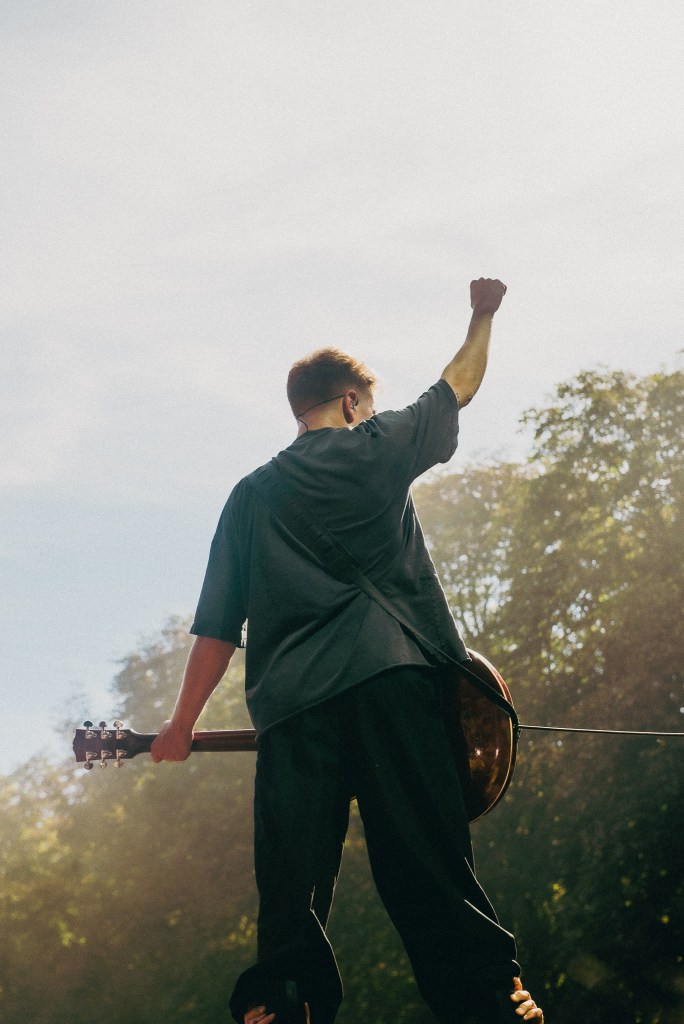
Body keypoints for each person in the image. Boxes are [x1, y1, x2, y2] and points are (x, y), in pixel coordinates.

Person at [151, 278, 544, 1024]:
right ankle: (494, 999)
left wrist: (180, 725)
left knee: (292, 882)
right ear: (354, 402)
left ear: (301, 409)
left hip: (296, 711)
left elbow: (215, 628)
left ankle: (281, 1004)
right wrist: (482, 314)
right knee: (427, 863)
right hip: (396, 686)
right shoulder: (377, 445)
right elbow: (457, 384)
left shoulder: (249, 495)